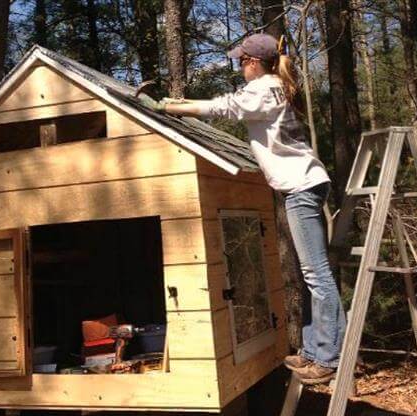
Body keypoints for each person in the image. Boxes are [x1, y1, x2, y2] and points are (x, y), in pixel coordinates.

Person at [147, 33, 346, 384]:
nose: (240, 67)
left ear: (253, 62)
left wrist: (174, 107)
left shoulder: (264, 88)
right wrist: (181, 102)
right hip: (304, 184)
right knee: (311, 274)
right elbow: (232, 104)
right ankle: (314, 351)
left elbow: (225, 106)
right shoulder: (272, 87)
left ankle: (327, 357)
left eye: (241, 61)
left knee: (317, 276)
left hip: (301, 185)